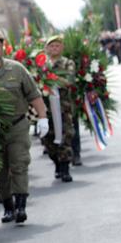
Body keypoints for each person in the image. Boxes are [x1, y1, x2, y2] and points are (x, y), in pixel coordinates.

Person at [0, 33, 49, 224]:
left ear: (3, 48)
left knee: (19, 164)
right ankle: (7, 207)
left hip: (17, 125)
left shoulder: (16, 69)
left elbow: (33, 94)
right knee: (0, 170)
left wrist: (43, 118)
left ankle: (21, 205)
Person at [44, 35, 76, 182]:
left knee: (65, 137)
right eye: (51, 46)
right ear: (47, 49)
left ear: (62, 48)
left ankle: (65, 169)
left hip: (63, 108)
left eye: (57, 45)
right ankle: (57, 163)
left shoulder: (67, 63)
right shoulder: (42, 65)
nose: (54, 48)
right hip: (46, 109)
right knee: (48, 140)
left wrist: (50, 79)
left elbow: (68, 81)